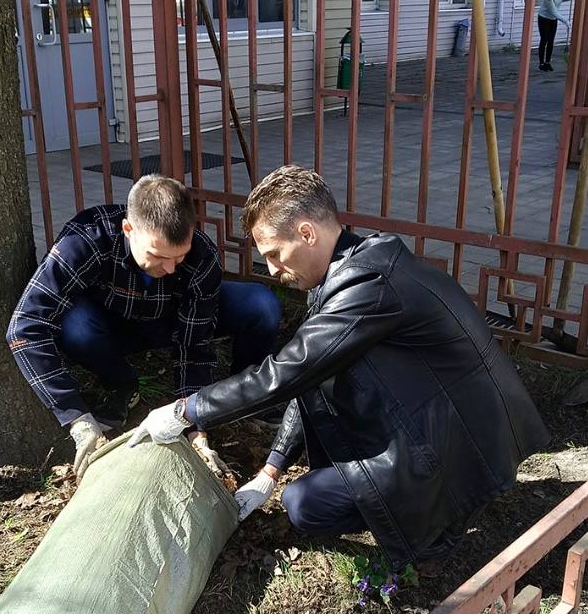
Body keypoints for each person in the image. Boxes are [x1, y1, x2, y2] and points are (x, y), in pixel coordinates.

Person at [128, 165, 548, 574]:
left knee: (305, 505)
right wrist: (270, 469)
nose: (272, 270)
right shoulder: (356, 265)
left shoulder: (366, 284)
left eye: (274, 253)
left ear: (307, 233)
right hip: (461, 425)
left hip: (456, 445)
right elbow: (308, 374)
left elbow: (287, 372)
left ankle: (437, 526)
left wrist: (187, 410)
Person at [7, 175, 281, 478]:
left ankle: (248, 392)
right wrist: (77, 419)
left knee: (261, 303)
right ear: (128, 229)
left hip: (171, 321)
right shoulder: (85, 240)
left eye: (180, 256)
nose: (171, 268)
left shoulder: (201, 255)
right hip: (109, 328)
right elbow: (26, 325)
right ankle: (122, 384)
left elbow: (194, 346)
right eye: (158, 256)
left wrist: (195, 428)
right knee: (75, 325)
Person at [538, 0, 573, 71]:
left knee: (551, 41)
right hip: (544, 18)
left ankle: (548, 62)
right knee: (544, 39)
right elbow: (554, 11)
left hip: (553, 19)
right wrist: (565, 20)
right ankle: (541, 64)